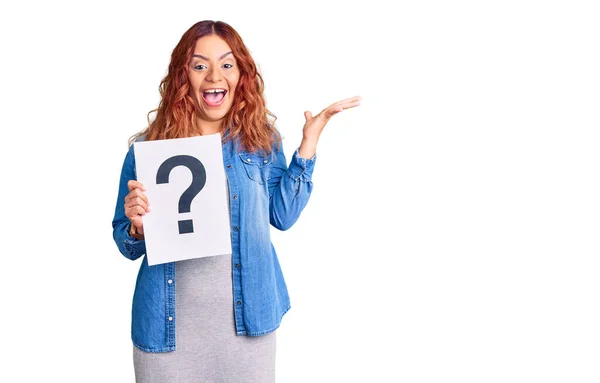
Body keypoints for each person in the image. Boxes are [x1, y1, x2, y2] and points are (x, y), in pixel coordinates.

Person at [111, 20, 360, 382]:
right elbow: (126, 244)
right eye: (200, 65)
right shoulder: (149, 149)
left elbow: (283, 216)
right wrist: (136, 226)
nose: (214, 75)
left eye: (226, 64)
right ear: (184, 77)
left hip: (248, 328)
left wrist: (308, 144)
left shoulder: (260, 140)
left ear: (241, 74)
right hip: (168, 332)